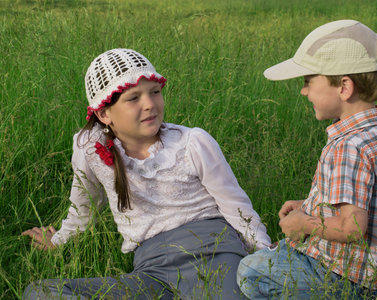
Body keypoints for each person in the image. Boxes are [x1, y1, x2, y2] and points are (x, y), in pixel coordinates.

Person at [21, 48, 271, 299]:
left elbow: (237, 206)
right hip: (152, 272)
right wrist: (58, 241)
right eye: (134, 98)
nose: (150, 104)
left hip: (214, 256)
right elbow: (83, 209)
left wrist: (265, 256)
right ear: (104, 113)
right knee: (40, 291)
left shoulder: (192, 143)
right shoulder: (90, 149)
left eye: (155, 92)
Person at [237, 20, 377, 299]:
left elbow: (352, 228)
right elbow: (364, 202)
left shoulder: (349, 148)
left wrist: (304, 224)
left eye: (308, 82)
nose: (303, 91)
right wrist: (310, 206)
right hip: (362, 274)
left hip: (337, 276)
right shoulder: (372, 136)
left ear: (344, 87)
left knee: (250, 271)